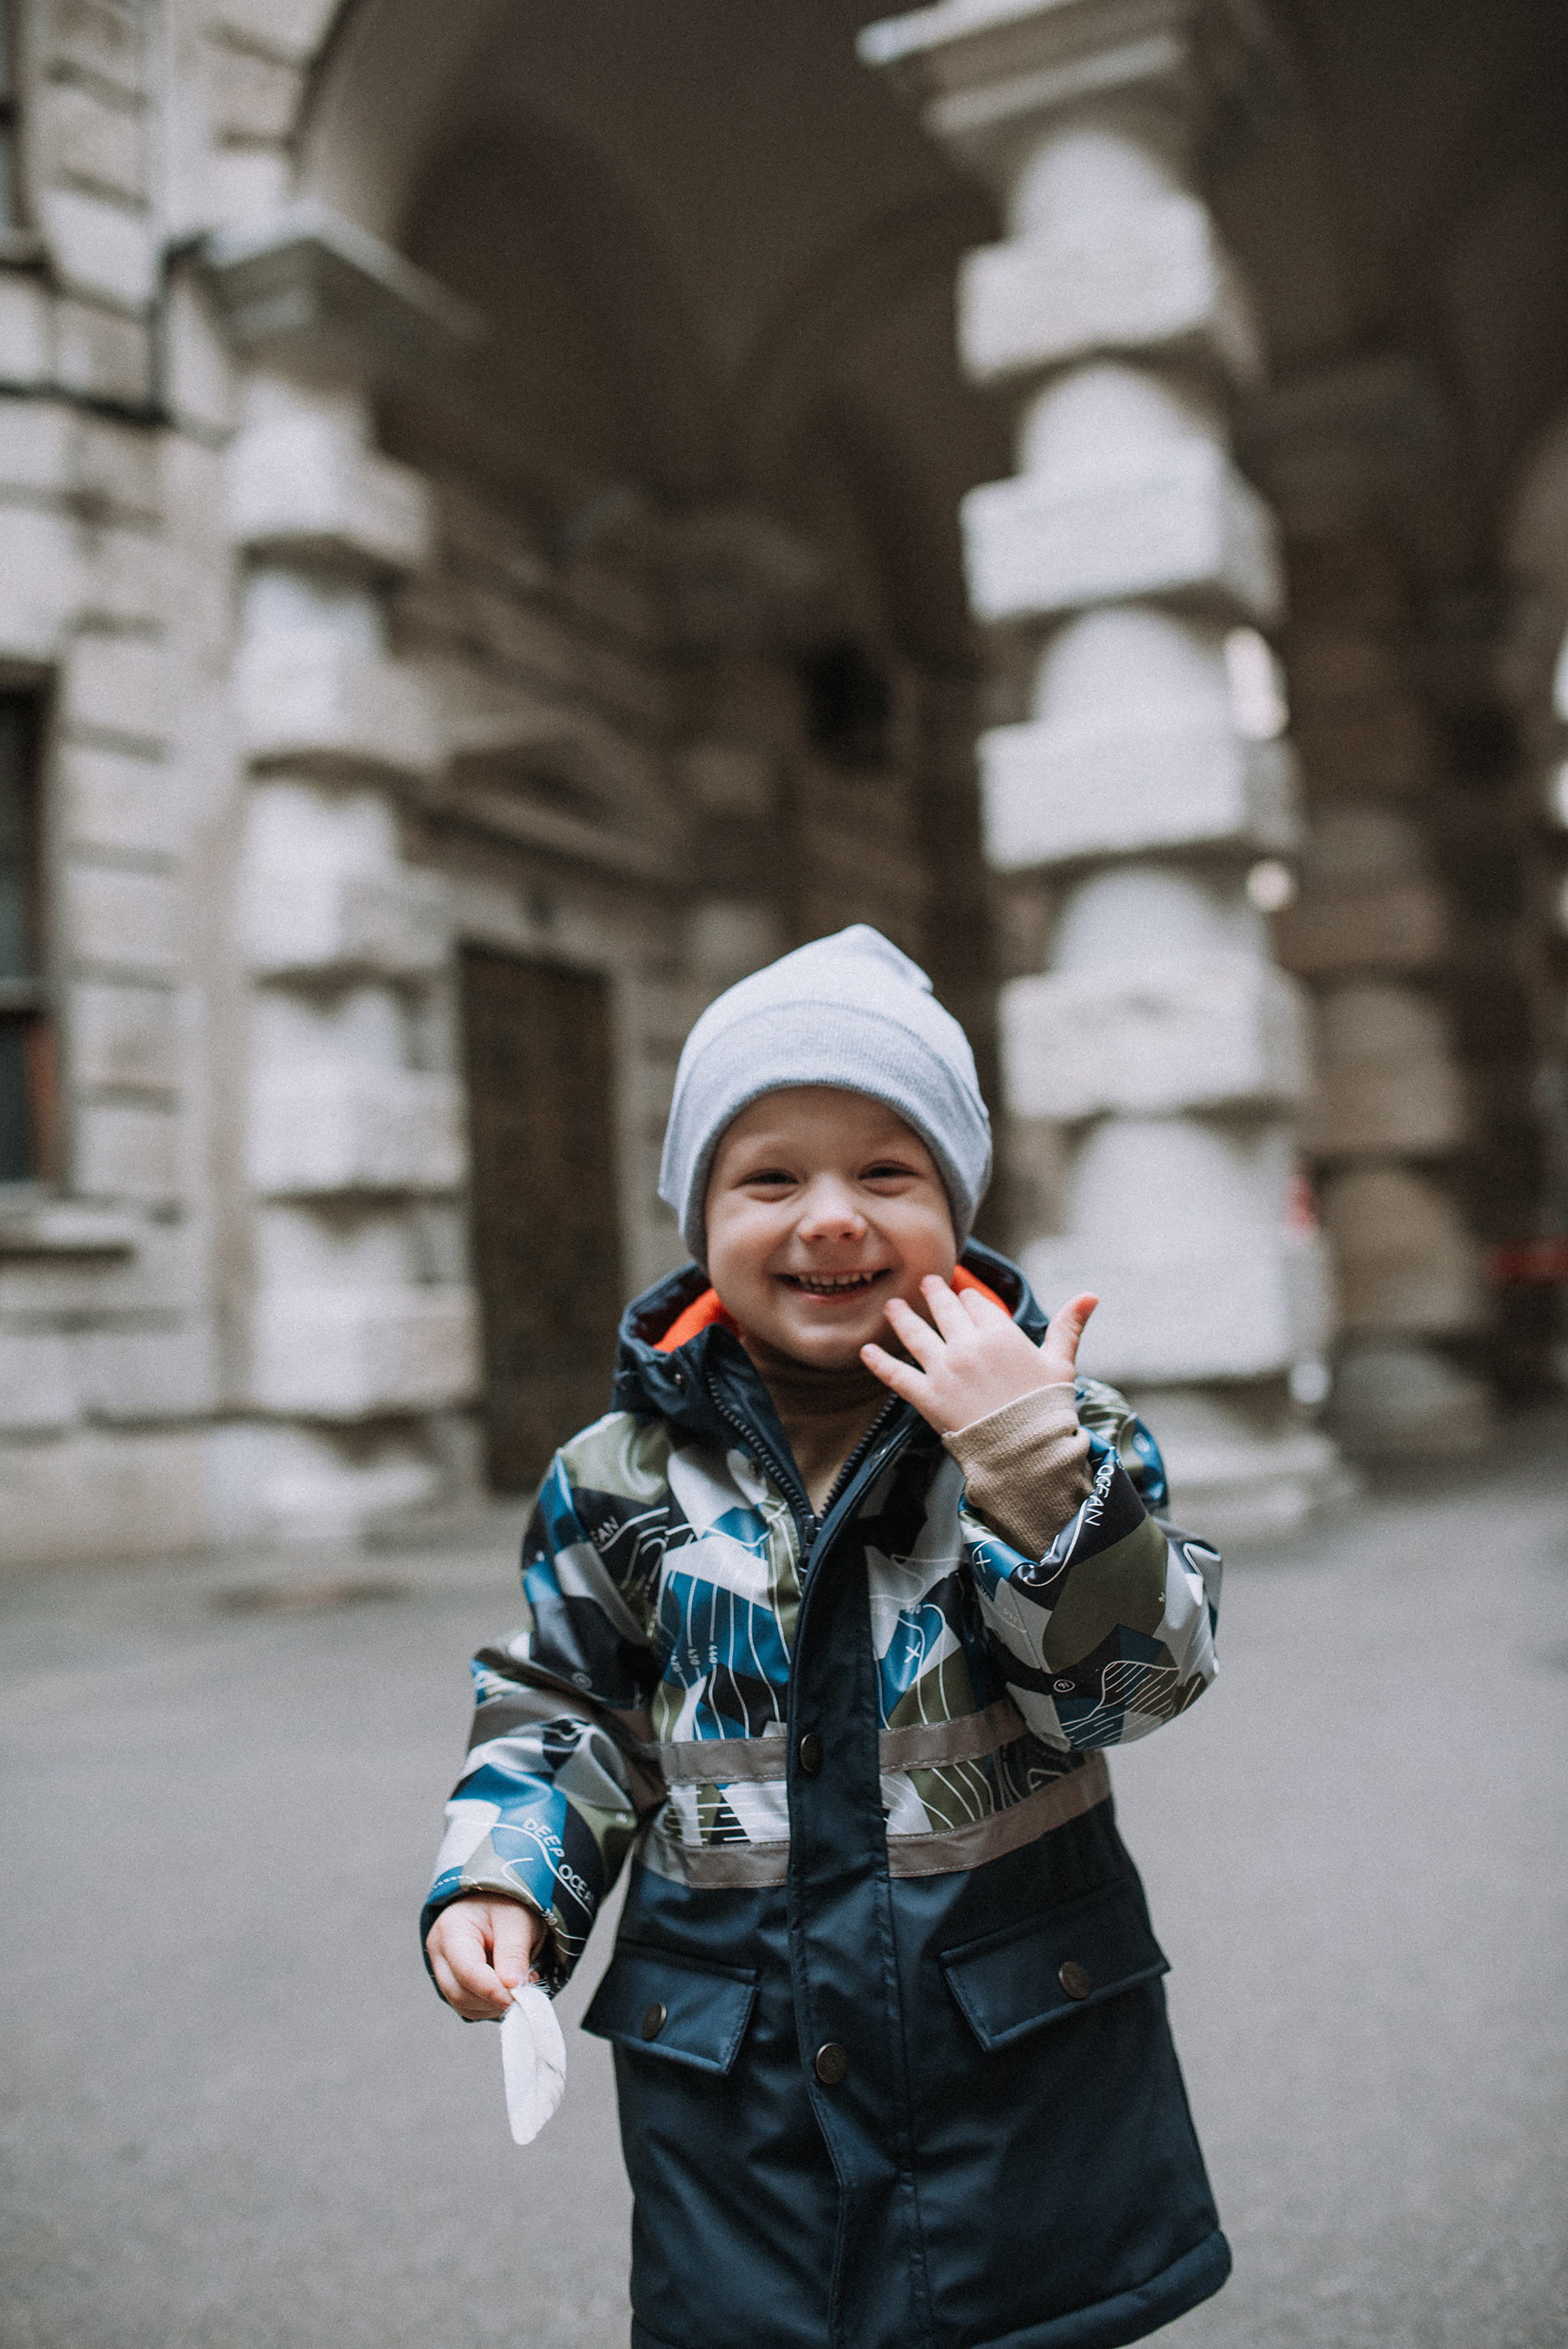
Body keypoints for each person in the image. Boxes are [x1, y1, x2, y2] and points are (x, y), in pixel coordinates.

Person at [423, 925, 1229, 2349]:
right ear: (699, 1216)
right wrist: (507, 1880)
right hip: (738, 2083)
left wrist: (1034, 1469)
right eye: (770, 1176)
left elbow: (1133, 1692)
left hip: (1012, 2053)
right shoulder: (616, 1476)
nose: (832, 1217)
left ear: (958, 1206)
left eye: (887, 1171)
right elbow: (563, 1704)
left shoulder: (1060, 1429)